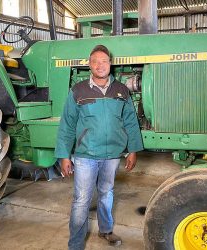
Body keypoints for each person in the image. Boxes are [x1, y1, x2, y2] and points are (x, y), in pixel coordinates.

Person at [55, 44, 143, 250]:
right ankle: (75, 244)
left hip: (112, 154)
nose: (99, 65)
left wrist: (133, 150)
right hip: (86, 154)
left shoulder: (121, 91)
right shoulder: (78, 90)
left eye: (104, 61)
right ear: (89, 65)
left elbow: (130, 121)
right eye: (95, 61)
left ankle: (106, 230)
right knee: (81, 200)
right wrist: (64, 155)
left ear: (110, 64)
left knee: (106, 193)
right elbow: (67, 123)